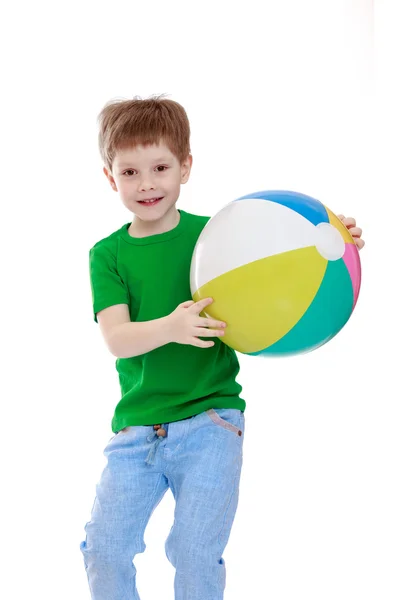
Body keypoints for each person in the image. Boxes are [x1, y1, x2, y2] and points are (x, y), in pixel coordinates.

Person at [79, 94, 365, 600]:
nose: (147, 184)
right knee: (104, 547)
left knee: (194, 553)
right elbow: (117, 339)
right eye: (129, 172)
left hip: (211, 422)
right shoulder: (107, 254)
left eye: (161, 167)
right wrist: (170, 325)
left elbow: (282, 253)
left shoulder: (216, 236)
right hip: (136, 429)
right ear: (109, 177)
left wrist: (331, 240)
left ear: (185, 166)